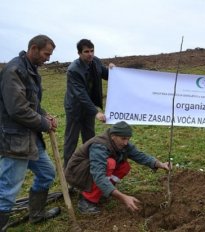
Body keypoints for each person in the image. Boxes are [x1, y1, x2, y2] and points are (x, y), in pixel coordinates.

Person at [0, 35, 61, 230]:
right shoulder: (14, 70)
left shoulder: (31, 70)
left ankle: (36, 214)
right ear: (34, 48)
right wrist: (43, 123)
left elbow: (31, 104)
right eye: (46, 54)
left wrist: (45, 115)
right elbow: (17, 109)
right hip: (15, 139)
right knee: (8, 191)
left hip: (30, 138)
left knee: (46, 173)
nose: (48, 59)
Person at [64, 121, 171, 214]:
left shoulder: (122, 143)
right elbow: (99, 175)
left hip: (91, 172)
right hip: (78, 174)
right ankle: (87, 200)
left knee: (124, 166)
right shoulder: (99, 146)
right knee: (110, 164)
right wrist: (123, 197)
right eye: (123, 139)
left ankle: (104, 191)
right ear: (113, 136)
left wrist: (159, 164)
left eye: (128, 139)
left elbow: (139, 155)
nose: (126, 142)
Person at [63, 38, 115, 167]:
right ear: (79, 53)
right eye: (86, 51)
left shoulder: (95, 61)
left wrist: (113, 71)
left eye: (92, 50)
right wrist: (96, 112)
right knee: (71, 140)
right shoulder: (73, 70)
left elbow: (106, 75)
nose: (90, 54)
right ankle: (68, 172)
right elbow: (80, 94)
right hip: (75, 108)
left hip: (89, 108)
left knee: (90, 138)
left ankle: (90, 168)